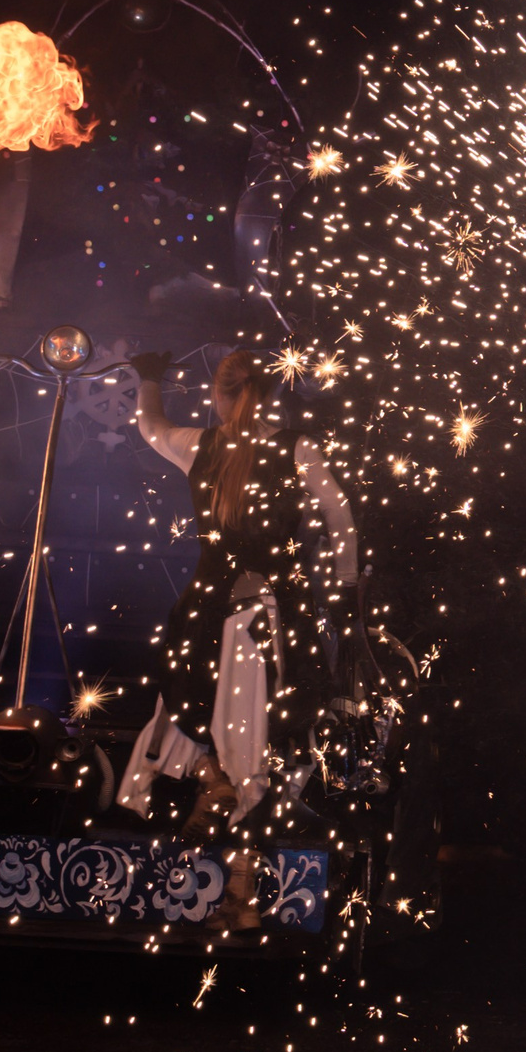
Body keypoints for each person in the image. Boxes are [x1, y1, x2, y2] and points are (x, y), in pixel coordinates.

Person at [119, 348, 358, 835]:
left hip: (211, 609)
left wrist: (150, 378)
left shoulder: (199, 445)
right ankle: (240, 813)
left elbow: (150, 426)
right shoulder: (298, 448)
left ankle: (216, 788)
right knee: (267, 721)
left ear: (218, 394)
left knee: (198, 707)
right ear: (268, 395)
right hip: (275, 613)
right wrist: (347, 586)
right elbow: (341, 517)